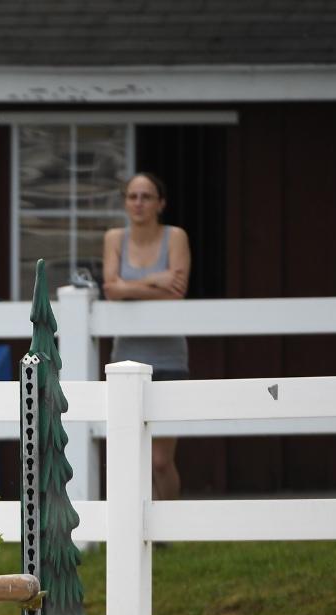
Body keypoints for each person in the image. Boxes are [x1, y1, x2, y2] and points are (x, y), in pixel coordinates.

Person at [101, 171, 191, 501]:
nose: (138, 203)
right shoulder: (114, 238)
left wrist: (130, 288)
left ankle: (168, 530)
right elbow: (110, 288)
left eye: (146, 196)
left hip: (170, 358)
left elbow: (177, 293)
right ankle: (136, 532)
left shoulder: (175, 237)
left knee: (160, 461)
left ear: (160, 203)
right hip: (125, 358)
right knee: (129, 455)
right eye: (132, 196)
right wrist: (157, 279)